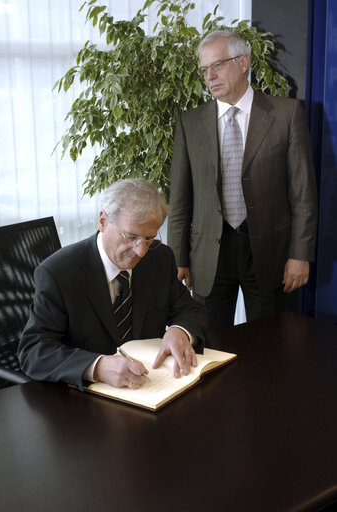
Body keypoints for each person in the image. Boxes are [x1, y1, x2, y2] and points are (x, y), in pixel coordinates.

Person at [167, 30, 317, 332]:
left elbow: (303, 194)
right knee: (209, 347)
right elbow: (181, 198)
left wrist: (300, 255)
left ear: (243, 61)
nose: (209, 76)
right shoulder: (190, 123)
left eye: (217, 65)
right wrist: (178, 257)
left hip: (269, 253)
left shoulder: (286, 114)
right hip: (210, 254)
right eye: (204, 69)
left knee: (272, 348)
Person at [18, 179, 207, 391]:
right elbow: (34, 351)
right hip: (84, 401)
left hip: (149, 388)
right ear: (103, 221)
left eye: (149, 238)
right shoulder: (58, 272)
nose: (141, 251)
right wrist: (97, 367)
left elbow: (190, 309)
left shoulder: (159, 258)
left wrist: (180, 331)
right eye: (131, 236)